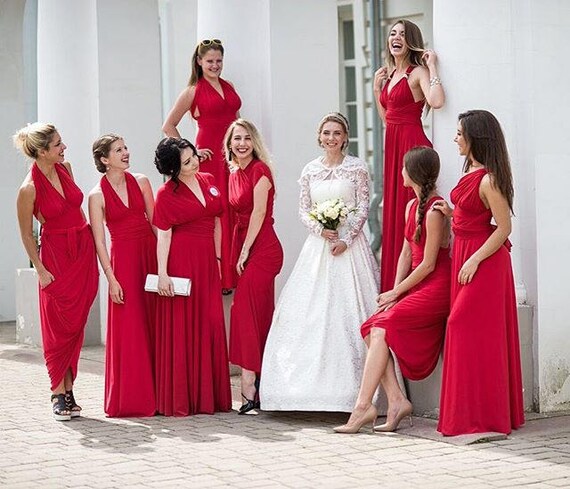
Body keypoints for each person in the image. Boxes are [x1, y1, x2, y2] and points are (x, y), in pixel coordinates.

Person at [260, 113, 383, 412]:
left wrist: (346, 238)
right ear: (319, 136)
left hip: (349, 248)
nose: (331, 138)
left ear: (345, 137)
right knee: (308, 313)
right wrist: (320, 229)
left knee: (349, 312)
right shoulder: (310, 170)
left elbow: (363, 206)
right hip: (319, 247)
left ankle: (357, 394)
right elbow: (304, 209)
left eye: (337, 133)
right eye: (326, 133)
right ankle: (299, 392)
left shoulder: (356, 168)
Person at [333, 146, 450, 433]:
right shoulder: (411, 206)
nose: (400, 172)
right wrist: (395, 291)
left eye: (403, 167)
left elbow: (428, 265)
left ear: (414, 172)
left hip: (436, 286)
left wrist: (396, 295)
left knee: (379, 327)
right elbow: (406, 253)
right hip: (418, 283)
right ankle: (395, 400)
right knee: (373, 327)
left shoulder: (434, 210)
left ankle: (363, 407)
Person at [433, 110, 524, 435]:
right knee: (472, 334)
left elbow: (503, 228)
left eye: (460, 133)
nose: (455, 138)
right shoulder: (471, 170)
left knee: (461, 326)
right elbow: (472, 214)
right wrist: (453, 212)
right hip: (465, 254)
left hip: (485, 261)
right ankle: (474, 415)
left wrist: (474, 261)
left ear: (475, 138)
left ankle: (482, 415)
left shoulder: (489, 179)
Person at [14, 123, 99, 421]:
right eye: (58, 144)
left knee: (76, 323)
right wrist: (39, 268)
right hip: (55, 257)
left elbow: (76, 209)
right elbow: (26, 234)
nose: (64, 148)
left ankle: (70, 386)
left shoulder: (67, 168)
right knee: (57, 324)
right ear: (42, 151)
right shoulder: (29, 189)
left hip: (82, 250)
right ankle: (57, 390)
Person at [153, 137, 231, 416]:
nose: (195, 162)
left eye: (194, 155)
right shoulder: (165, 194)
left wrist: (220, 259)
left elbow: (218, 221)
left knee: (210, 322)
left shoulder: (208, 178)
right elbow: (163, 234)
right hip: (181, 263)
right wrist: (163, 274)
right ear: (173, 169)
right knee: (183, 327)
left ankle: (212, 398)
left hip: (208, 261)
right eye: (187, 161)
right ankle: (183, 399)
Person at [162, 39, 241, 294]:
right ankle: (221, 277)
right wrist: (191, 152)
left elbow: (236, 121)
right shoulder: (193, 91)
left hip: (231, 156)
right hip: (208, 157)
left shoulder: (229, 86)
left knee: (235, 207)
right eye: (210, 61)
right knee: (218, 212)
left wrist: (241, 148)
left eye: (219, 61)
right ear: (199, 62)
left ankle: (233, 271)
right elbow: (169, 125)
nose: (215, 65)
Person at [88, 134, 157, 417]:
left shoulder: (141, 181)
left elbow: (155, 223)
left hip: (150, 256)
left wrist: (166, 265)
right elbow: (99, 242)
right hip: (124, 265)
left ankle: (161, 396)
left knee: (156, 323)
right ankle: (133, 400)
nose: (127, 153)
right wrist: (111, 278)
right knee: (131, 329)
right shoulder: (96, 195)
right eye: (119, 150)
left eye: (126, 148)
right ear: (105, 160)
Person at [374, 19, 445, 292]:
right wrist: (376, 90)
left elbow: (436, 101)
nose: (396, 37)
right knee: (395, 214)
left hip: (412, 146)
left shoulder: (417, 73)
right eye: (393, 33)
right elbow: (388, 119)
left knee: (412, 213)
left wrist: (433, 66)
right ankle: (393, 286)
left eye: (403, 34)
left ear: (411, 40)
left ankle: (412, 288)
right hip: (392, 146)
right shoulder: (389, 75)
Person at [223, 119, 283, 414]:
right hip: (244, 248)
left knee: (244, 310)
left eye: (247, 138)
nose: (242, 143)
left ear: (254, 142)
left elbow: (259, 212)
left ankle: (248, 383)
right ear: (229, 143)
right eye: (237, 139)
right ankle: (263, 383)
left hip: (263, 249)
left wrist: (245, 250)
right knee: (257, 315)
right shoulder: (233, 172)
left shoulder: (260, 170)